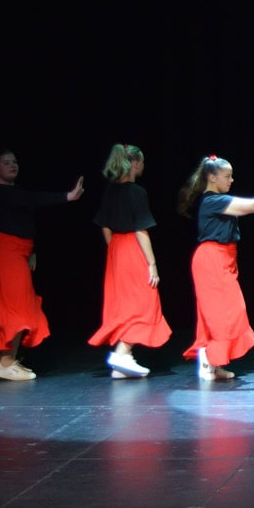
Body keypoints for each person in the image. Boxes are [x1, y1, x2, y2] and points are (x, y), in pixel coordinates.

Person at [177, 155, 254, 381]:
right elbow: (252, 206)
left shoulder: (217, 200)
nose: (231, 180)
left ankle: (214, 363)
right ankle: (208, 359)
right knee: (225, 312)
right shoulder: (213, 201)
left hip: (223, 258)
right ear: (212, 178)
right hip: (212, 259)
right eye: (227, 176)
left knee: (221, 312)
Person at [0, 148, 84, 380]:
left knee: (6, 307)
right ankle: (8, 363)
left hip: (17, 250)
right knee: (19, 307)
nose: (12, 165)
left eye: (14, 161)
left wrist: (31, 250)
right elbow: (31, 199)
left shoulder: (14, 191)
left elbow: (22, 219)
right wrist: (67, 196)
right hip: (5, 251)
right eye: (6, 162)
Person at [88, 143, 171, 379]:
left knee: (125, 303)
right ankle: (122, 353)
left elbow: (104, 225)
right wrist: (152, 264)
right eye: (142, 162)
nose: (143, 166)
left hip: (116, 248)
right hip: (133, 247)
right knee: (144, 302)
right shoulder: (136, 192)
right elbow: (141, 230)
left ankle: (122, 361)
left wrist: (114, 248)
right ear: (135, 164)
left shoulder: (110, 190)